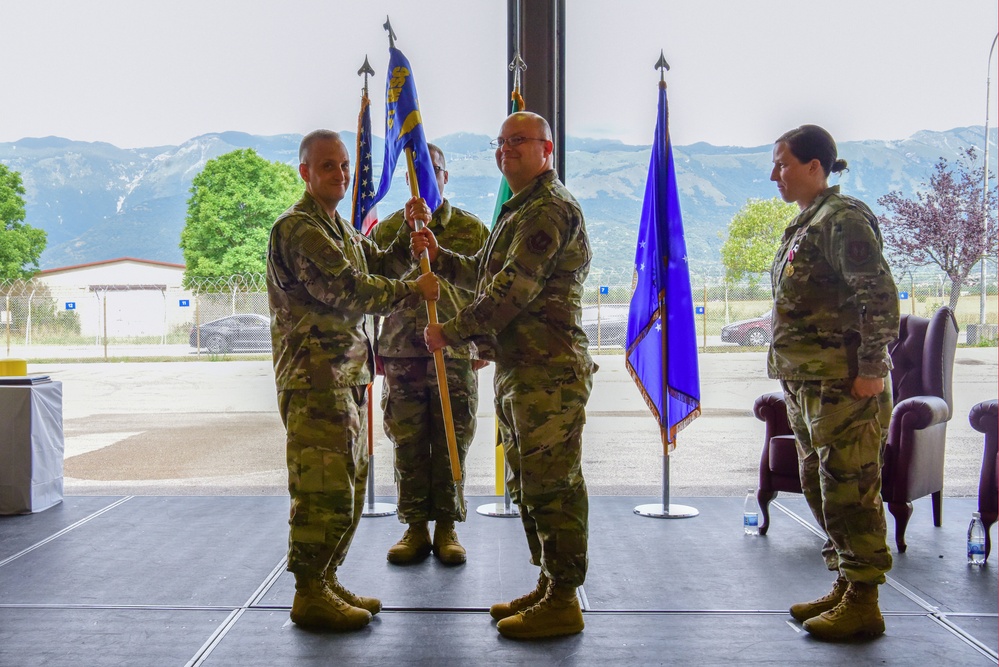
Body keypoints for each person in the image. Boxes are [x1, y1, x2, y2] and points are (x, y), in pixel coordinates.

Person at [413, 111, 595, 639]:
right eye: (501, 143)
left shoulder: (548, 210)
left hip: (549, 371)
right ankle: (548, 584)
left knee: (553, 485)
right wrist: (440, 257)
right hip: (525, 368)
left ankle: (564, 597)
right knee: (532, 484)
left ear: (547, 148)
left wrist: (450, 331)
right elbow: (487, 275)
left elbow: (512, 293)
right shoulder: (521, 209)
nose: (507, 150)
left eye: (520, 141)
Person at [266, 129, 439, 632]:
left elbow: (376, 263)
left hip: (345, 379)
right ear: (305, 172)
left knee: (348, 483)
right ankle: (308, 592)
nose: (340, 174)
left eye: (344, 166)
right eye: (328, 166)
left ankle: (326, 577)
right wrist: (413, 290)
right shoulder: (299, 229)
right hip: (314, 381)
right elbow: (349, 289)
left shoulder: (337, 228)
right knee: (322, 488)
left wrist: (412, 240)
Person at [768, 124, 899, 641]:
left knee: (850, 488)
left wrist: (871, 369)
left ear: (814, 167)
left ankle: (864, 601)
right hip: (809, 381)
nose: (775, 174)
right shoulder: (808, 222)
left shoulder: (843, 220)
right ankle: (846, 581)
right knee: (820, 485)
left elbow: (879, 299)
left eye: (782, 163)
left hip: (845, 383)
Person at [372, 144, 490, 566]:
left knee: (452, 440)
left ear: (445, 176)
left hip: (456, 352)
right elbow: (373, 289)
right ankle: (414, 526)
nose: (425, 180)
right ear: (407, 180)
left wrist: (484, 342)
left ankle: (447, 526)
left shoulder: (471, 230)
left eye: (433, 171)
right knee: (407, 441)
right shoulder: (387, 231)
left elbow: (488, 289)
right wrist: (376, 351)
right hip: (403, 352)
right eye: (416, 174)